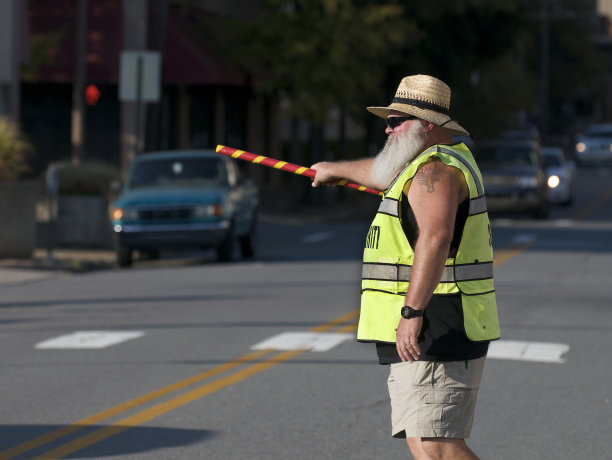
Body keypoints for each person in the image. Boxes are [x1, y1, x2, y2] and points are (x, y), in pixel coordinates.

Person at [311, 75, 500, 460]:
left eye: (396, 120)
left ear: (426, 125)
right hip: (435, 322)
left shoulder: (437, 171)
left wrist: (411, 313)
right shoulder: (421, 165)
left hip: (438, 320)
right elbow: (381, 173)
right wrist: (335, 169)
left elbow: (435, 237)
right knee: (424, 439)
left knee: (436, 445)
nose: (388, 127)